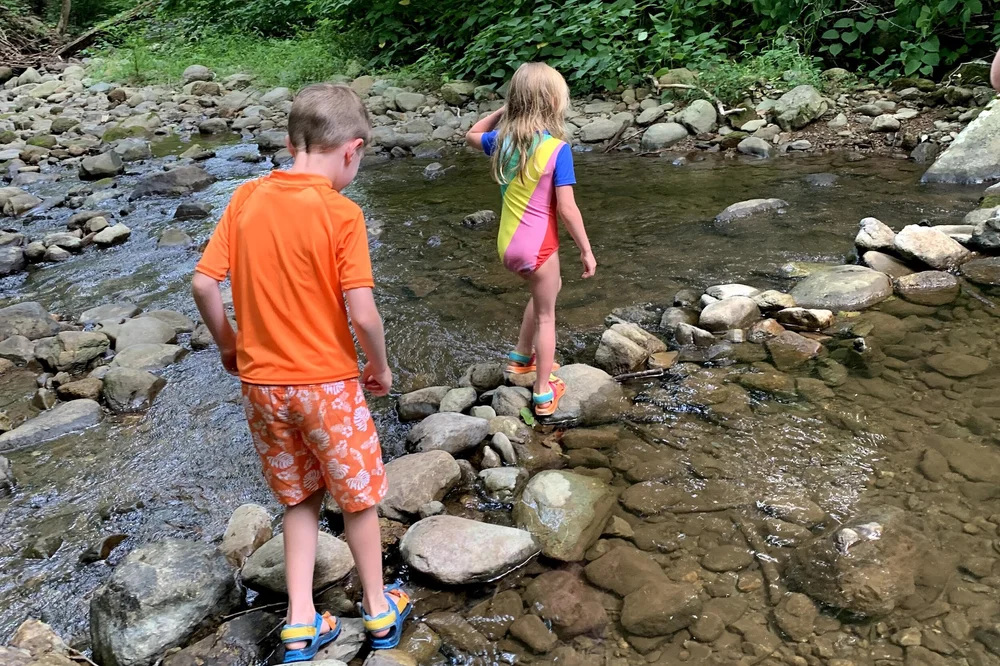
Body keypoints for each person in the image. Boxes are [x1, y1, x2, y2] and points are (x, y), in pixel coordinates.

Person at [191, 83, 410, 661]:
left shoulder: (244, 199)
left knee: (299, 500)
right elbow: (362, 313)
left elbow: (203, 283)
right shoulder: (341, 213)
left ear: (293, 143)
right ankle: (378, 608)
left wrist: (229, 346)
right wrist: (379, 366)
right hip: (328, 386)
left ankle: (300, 622)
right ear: (351, 150)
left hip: (263, 388)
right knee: (359, 499)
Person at [465, 62, 596, 417]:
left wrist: (503, 111)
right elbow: (568, 210)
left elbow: (472, 133)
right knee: (548, 316)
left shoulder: (503, 142)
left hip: (507, 246)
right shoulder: (556, 149)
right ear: (554, 102)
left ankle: (521, 358)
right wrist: (586, 250)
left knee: (543, 296)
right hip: (538, 247)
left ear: (517, 102)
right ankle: (542, 392)